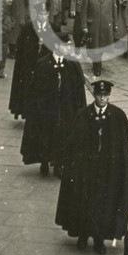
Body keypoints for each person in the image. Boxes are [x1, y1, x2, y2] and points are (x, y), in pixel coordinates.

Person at [55, 80, 128, 254]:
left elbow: (124, 147)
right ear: (94, 95)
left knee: (104, 205)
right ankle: (83, 235)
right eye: (99, 95)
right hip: (86, 170)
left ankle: (99, 239)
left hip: (108, 171)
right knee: (84, 202)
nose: (102, 98)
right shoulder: (82, 115)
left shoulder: (117, 115)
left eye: (105, 95)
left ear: (109, 95)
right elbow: (72, 143)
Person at [22, 34, 87, 177]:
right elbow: (35, 89)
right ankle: (44, 161)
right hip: (47, 109)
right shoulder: (43, 63)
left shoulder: (72, 64)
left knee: (63, 135)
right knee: (46, 134)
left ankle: (59, 164)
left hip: (65, 108)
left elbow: (78, 88)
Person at [79, 0, 119, 77]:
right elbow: (83, 12)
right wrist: (84, 26)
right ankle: (96, 66)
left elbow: (114, 10)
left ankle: (98, 63)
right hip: (93, 26)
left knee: (102, 46)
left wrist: (115, 24)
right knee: (94, 46)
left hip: (106, 25)